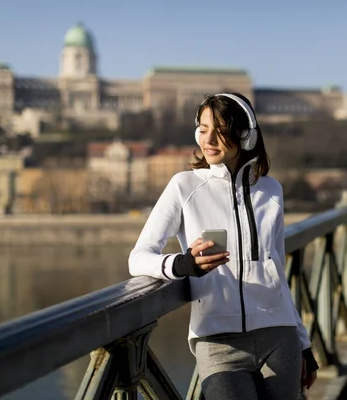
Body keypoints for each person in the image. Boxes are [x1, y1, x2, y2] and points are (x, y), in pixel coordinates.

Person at [129, 92, 318, 399]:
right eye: (203, 129)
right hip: (218, 343)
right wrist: (181, 265)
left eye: (221, 130)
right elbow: (138, 258)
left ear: (245, 135)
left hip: (278, 338)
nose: (210, 139)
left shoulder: (270, 191)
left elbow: (277, 273)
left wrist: (303, 343)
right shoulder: (184, 186)